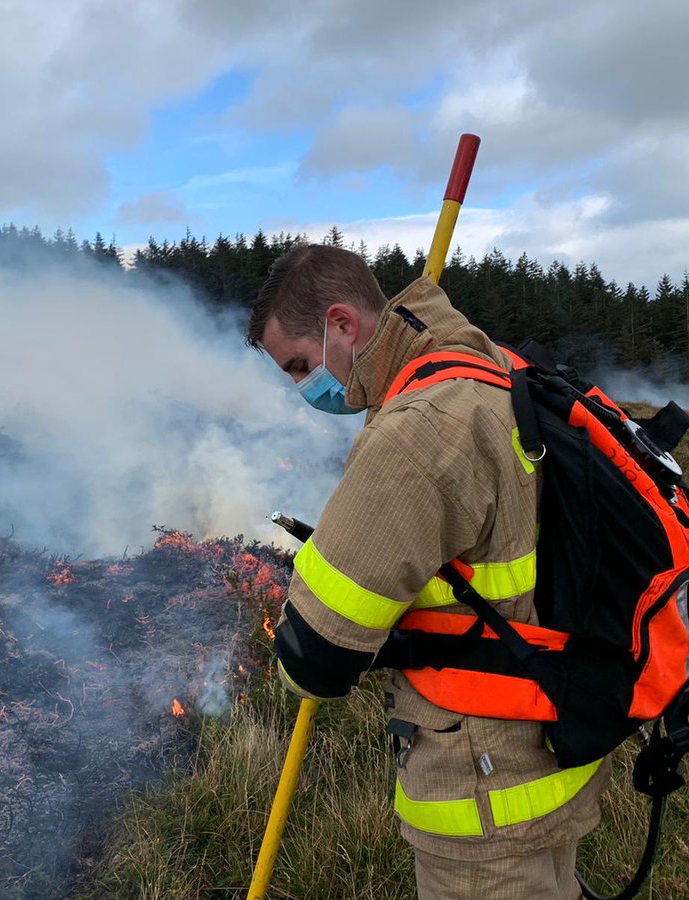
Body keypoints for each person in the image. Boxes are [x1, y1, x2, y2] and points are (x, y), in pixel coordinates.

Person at [245, 244, 609, 899]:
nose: (304, 387)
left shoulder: (419, 428)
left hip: (485, 793)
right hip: (552, 750)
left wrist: (323, 565)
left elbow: (313, 658)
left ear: (342, 325)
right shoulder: (485, 364)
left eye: (299, 365)